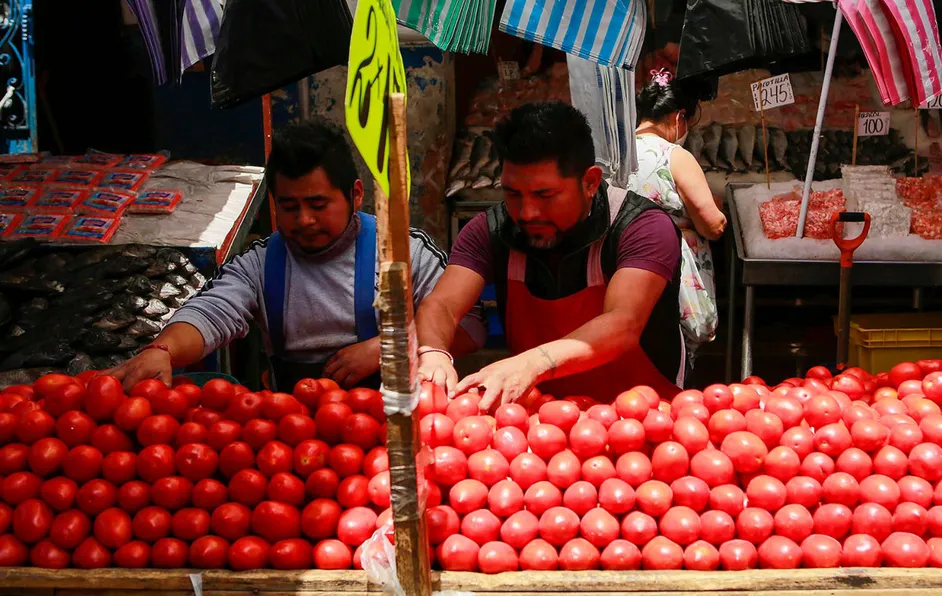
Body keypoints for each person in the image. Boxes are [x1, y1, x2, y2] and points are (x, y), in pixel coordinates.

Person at [107, 118, 485, 392]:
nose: (304, 220)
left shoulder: (403, 251)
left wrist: (391, 348)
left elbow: (468, 325)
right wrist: (163, 350)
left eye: (318, 204)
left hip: (391, 427)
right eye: (289, 206)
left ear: (355, 194)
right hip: (294, 438)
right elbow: (211, 312)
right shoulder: (259, 264)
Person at [415, 101, 685, 411]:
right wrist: (433, 353)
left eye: (545, 195)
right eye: (512, 194)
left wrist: (531, 363)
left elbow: (622, 322)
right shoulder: (489, 230)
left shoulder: (643, 227)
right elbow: (443, 305)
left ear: (590, 182)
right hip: (541, 426)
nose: (527, 212)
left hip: (646, 424)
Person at [631, 69, 727, 376]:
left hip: (622, 271)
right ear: (678, 117)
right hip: (670, 276)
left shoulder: (614, 154)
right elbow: (713, 225)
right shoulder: (674, 155)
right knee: (672, 363)